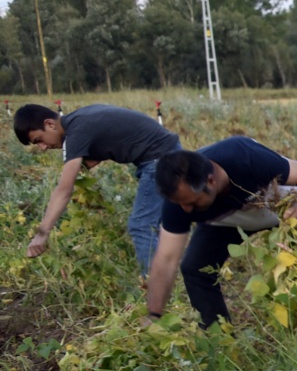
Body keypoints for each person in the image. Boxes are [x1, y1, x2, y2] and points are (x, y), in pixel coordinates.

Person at [146, 137, 297, 328]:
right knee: (195, 268)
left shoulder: (246, 157)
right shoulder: (179, 199)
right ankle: (217, 341)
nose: (186, 210)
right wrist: (154, 315)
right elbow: (166, 259)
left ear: (211, 181)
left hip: (287, 210)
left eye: (192, 202)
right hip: (228, 220)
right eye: (181, 204)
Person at [12, 102, 182, 272]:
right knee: (161, 223)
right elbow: (111, 131)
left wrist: (42, 234)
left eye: (39, 140)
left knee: (142, 225)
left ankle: (155, 286)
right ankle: (173, 277)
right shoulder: (80, 118)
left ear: (49, 124)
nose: (42, 148)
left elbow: (64, 189)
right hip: (168, 153)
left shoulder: (76, 133)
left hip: (160, 160)